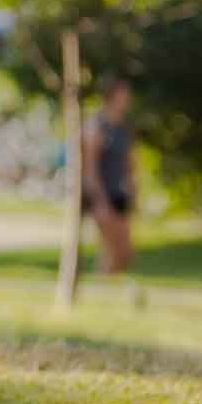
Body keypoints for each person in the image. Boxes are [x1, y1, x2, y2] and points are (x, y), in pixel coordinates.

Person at [83, 78, 138, 275]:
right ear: (111, 97)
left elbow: (130, 164)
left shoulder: (124, 127)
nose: (128, 99)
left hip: (119, 193)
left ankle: (107, 289)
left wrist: (134, 192)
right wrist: (100, 202)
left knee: (126, 252)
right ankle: (103, 287)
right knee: (112, 248)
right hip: (101, 194)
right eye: (123, 94)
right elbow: (90, 168)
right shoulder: (96, 125)